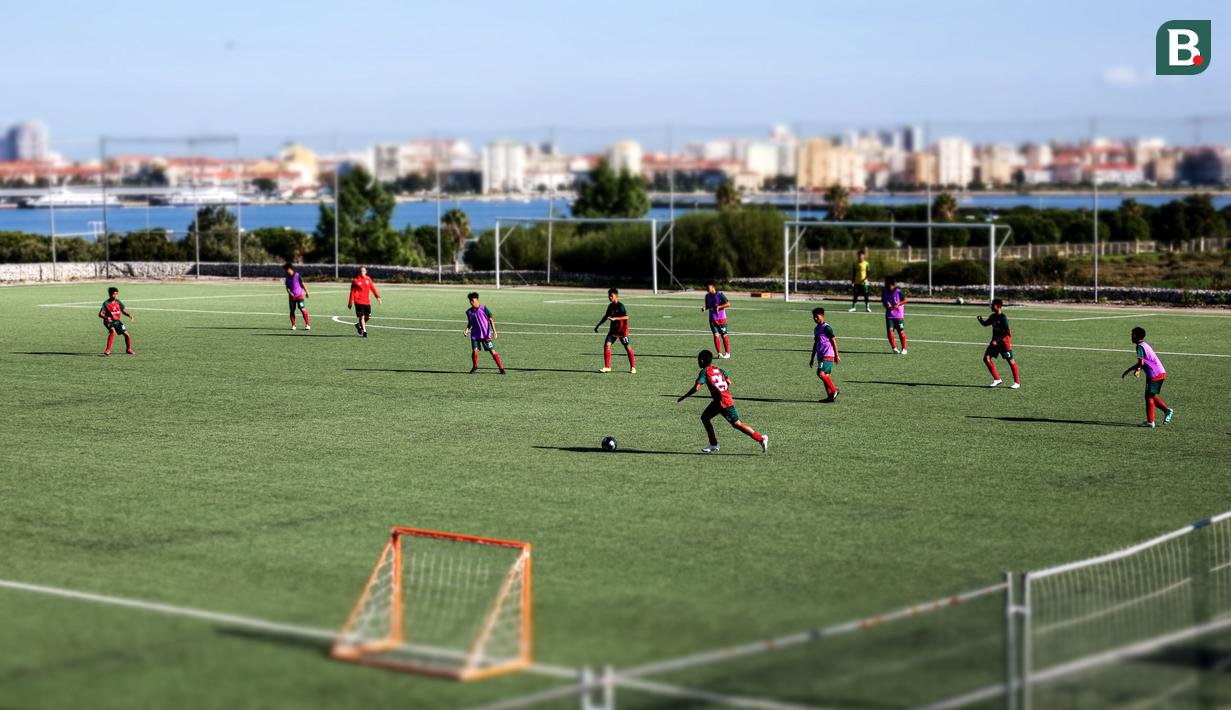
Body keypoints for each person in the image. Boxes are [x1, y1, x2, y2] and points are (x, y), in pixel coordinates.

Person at [676, 349, 767, 454]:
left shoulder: (704, 371)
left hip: (723, 402)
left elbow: (697, 388)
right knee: (705, 418)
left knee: (737, 424)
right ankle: (714, 444)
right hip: (720, 401)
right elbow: (729, 382)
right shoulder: (720, 370)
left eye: (698, 359)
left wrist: (684, 397)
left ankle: (761, 438)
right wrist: (723, 392)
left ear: (701, 360)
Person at [1121, 326, 1174, 428]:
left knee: (1148, 397)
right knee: (1151, 396)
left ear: (1135, 336)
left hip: (1154, 374)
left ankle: (1151, 422)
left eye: (1132, 334)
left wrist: (1128, 371)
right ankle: (1166, 411)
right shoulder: (1145, 344)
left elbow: (1141, 362)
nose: (1131, 336)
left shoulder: (1139, 347)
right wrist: (1139, 369)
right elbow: (1146, 360)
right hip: (1160, 372)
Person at [977, 299, 1020, 388]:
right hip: (995, 343)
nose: (991, 306)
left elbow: (1006, 332)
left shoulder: (1003, 318)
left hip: (1004, 343)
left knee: (1011, 362)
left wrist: (997, 340)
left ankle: (1017, 382)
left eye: (993, 305)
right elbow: (986, 324)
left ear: (998, 306)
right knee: (986, 358)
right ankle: (997, 379)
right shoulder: (993, 316)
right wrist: (981, 320)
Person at [594, 287, 636, 373]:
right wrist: (598, 325)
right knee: (607, 345)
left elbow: (627, 317)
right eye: (609, 296)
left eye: (611, 296)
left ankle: (633, 367)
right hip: (613, 331)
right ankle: (607, 367)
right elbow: (606, 316)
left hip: (622, 331)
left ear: (616, 296)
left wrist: (615, 318)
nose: (610, 298)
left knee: (627, 348)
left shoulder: (620, 306)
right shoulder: (610, 306)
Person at [464, 292, 505, 374]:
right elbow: (470, 322)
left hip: (485, 335)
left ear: (477, 300)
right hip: (475, 335)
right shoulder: (469, 312)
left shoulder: (484, 308)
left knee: (492, 351)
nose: (471, 302)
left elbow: (491, 320)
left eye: (472, 300)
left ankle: (501, 368)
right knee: (475, 351)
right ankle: (475, 366)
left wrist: (495, 332)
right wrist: (467, 329)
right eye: (470, 301)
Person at [809, 307, 841, 402]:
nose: (815, 319)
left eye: (817, 316)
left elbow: (833, 340)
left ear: (822, 316)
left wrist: (837, 355)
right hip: (821, 356)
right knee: (825, 375)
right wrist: (812, 358)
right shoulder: (816, 329)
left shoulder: (826, 328)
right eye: (814, 317)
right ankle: (830, 396)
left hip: (828, 355)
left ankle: (834, 390)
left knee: (820, 373)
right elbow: (816, 344)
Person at [98, 286, 135, 356]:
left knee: (127, 335)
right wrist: (106, 317)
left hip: (117, 321)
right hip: (108, 321)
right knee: (112, 331)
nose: (115, 295)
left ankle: (128, 349)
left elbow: (123, 311)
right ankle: (108, 350)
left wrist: (129, 315)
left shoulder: (118, 302)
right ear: (109, 294)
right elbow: (100, 314)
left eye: (116, 294)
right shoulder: (106, 303)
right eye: (113, 294)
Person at [347, 266, 382, 338]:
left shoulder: (368, 279)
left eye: (363, 271)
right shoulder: (355, 280)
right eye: (361, 271)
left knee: (368, 317)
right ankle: (364, 331)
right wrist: (350, 302)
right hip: (358, 301)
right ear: (359, 272)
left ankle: (358, 325)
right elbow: (352, 292)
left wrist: (378, 297)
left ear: (366, 272)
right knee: (361, 316)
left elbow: (373, 288)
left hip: (366, 302)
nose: (362, 272)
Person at [702, 282, 732, 358]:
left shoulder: (720, 295)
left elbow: (728, 304)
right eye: (706, 288)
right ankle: (719, 353)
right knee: (716, 335)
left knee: (724, 335)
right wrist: (705, 308)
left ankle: (727, 353)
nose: (707, 289)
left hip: (721, 319)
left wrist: (719, 307)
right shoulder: (707, 296)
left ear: (713, 287)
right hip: (712, 319)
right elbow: (708, 305)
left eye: (708, 288)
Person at [882, 277, 909, 354]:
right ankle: (894, 348)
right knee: (890, 332)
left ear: (893, 285)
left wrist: (898, 304)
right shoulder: (884, 291)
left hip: (899, 315)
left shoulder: (898, 292)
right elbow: (883, 301)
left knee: (901, 331)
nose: (889, 286)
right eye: (888, 284)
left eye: (891, 285)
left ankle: (904, 349)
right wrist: (886, 306)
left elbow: (906, 300)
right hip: (889, 315)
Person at [284, 263, 311, 331]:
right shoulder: (287, 277)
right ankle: (293, 325)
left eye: (287, 270)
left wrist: (306, 292)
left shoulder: (297, 275)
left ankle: (307, 324)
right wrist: (289, 293)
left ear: (290, 269)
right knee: (292, 310)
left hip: (299, 296)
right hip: (292, 297)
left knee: (302, 309)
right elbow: (287, 287)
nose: (286, 271)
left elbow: (302, 284)